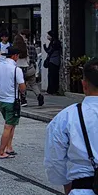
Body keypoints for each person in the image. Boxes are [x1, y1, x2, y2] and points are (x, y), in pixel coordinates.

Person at [44, 58, 98, 194]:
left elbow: (54, 160)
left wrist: (66, 184)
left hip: (83, 188)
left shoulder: (67, 117)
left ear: (84, 85)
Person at [0, 46, 25, 159]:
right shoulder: (17, 70)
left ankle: (9, 147)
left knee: (11, 125)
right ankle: (1, 152)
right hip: (12, 101)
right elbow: (22, 87)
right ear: (15, 56)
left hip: (1, 100)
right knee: (8, 126)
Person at [17, 30, 43, 107]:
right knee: (33, 84)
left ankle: (23, 99)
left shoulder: (21, 47)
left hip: (23, 68)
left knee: (22, 83)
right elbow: (35, 57)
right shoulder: (32, 46)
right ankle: (39, 95)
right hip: (31, 68)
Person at [44, 31, 62, 95]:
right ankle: (53, 90)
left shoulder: (54, 43)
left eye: (48, 35)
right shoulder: (55, 42)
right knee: (53, 76)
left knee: (51, 76)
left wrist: (45, 48)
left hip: (53, 61)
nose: (47, 37)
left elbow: (49, 51)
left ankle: (51, 90)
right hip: (54, 61)